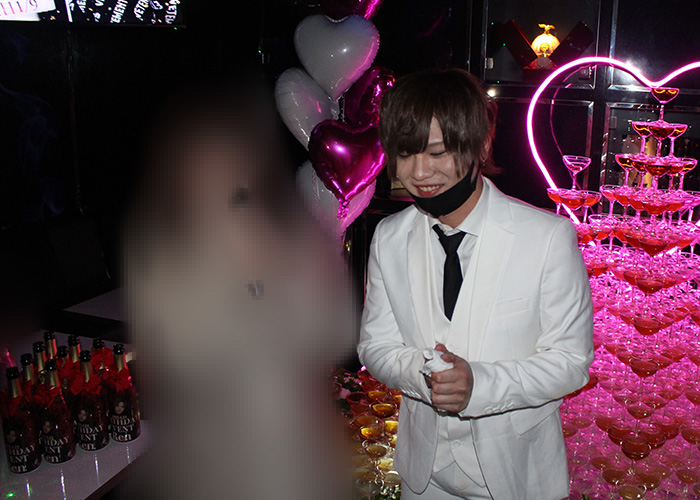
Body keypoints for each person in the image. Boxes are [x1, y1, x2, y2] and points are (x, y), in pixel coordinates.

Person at [358, 68, 594, 500]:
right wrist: (427, 376)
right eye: (405, 154)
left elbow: (570, 361)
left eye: (437, 152)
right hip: (424, 475)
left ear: (481, 144)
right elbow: (376, 346)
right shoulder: (389, 237)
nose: (419, 172)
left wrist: (479, 385)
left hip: (517, 473)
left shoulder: (546, 237)